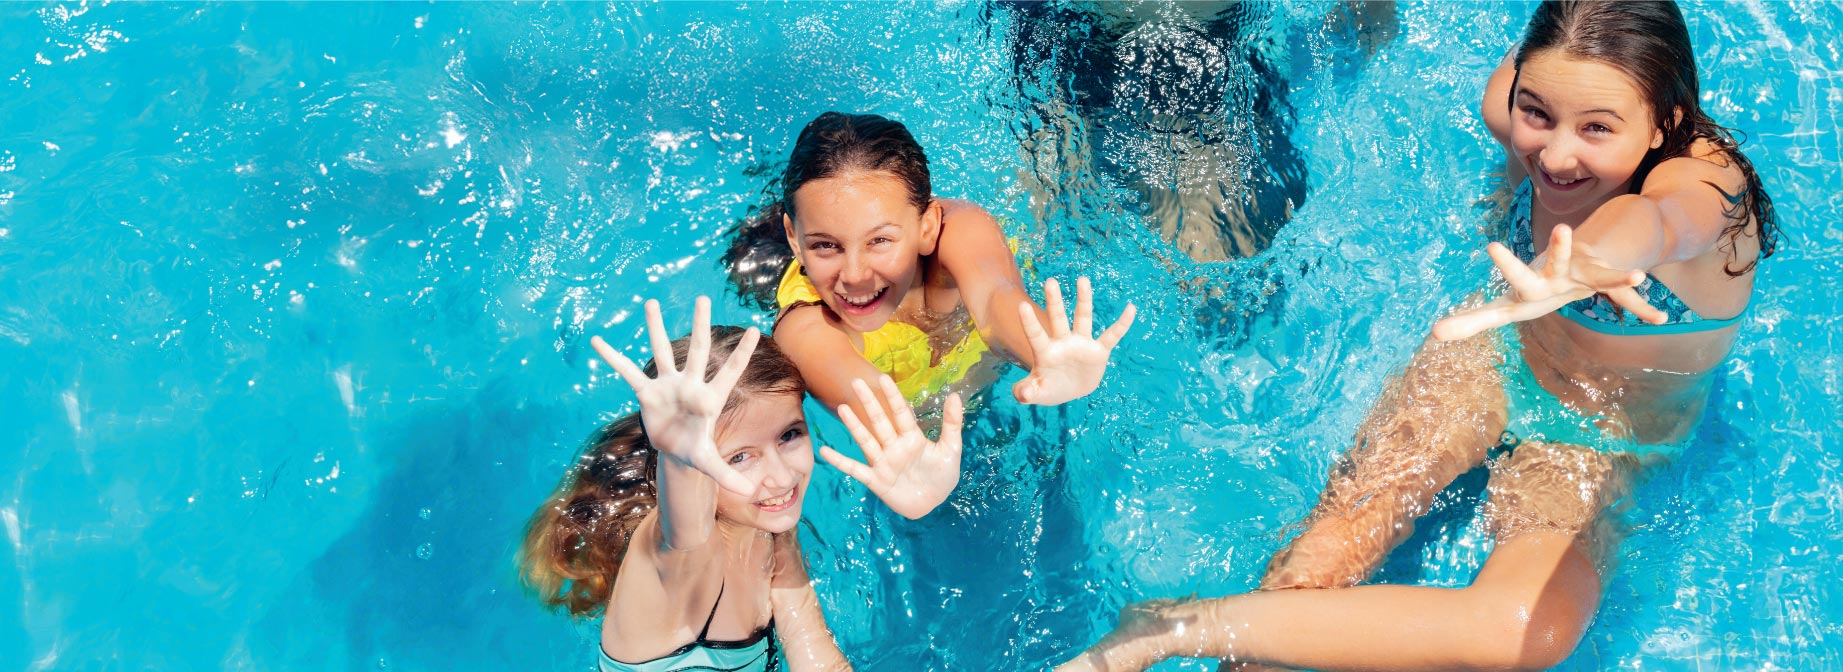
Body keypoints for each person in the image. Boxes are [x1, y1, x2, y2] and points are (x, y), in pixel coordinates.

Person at [1056, 1, 1779, 669]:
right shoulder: (1512, 107)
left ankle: (1191, 625)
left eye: (1597, 128)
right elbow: (1536, 89)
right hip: (1488, 359)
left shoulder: (1711, 187)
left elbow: (1661, 221)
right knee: (1320, 563)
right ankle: (1165, 630)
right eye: (1537, 112)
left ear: (1663, 122)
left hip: (1599, 432)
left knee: (1526, 632)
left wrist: (1587, 260)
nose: (1556, 156)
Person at [518, 297, 963, 670]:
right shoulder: (680, 561)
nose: (782, 477)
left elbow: (813, 649)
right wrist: (678, 455)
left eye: (789, 435)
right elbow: (683, 530)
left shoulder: (773, 531)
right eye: (740, 457)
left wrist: (928, 507)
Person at [724, 112, 1136, 515]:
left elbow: (996, 300)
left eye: (880, 241)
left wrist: (1044, 352)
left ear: (926, 228)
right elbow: (861, 393)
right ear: (795, 240)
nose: (854, 275)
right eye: (825, 245)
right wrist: (910, 453)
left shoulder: (959, 234)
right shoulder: (804, 328)